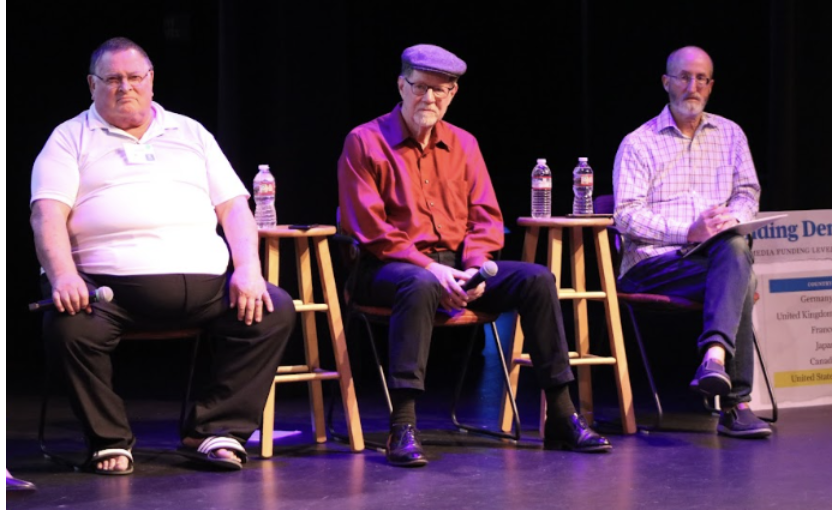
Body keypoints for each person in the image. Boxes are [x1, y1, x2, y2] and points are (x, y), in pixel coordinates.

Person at [30, 37, 297, 474]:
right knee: (69, 328)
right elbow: (47, 214)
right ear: (91, 85)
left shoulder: (190, 132)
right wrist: (63, 276)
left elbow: (233, 206)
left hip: (207, 286)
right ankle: (110, 439)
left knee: (273, 308)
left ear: (151, 80)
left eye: (135, 77)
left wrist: (248, 269)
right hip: (108, 292)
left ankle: (214, 431)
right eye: (112, 79)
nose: (125, 87)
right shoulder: (69, 138)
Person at [337, 44, 611, 467]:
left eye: (441, 90)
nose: (429, 99)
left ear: (453, 94)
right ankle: (403, 425)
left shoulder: (464, 144)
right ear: (401, 85)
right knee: (420, 282)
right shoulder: (365, 141)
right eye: (421, 87)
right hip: (390, 269)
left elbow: (486, 217)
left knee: (537, 278)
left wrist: (473, 270)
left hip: (458, 269)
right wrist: (430, 269)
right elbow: (369, 228)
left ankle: (561, 414)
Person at [612, 45, 772, 439]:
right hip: (652, 266)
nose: (692, 86)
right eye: (683, 77)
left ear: (711, 86)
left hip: (710, 260)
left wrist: (732, 219)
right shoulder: (639, 143)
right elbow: (626, 216)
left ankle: (713, 357)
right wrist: (688, 232)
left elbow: (747, 192)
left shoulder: (731, 134)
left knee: (734, 251)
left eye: (701, 79)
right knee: (742, 275)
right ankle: (736, 406)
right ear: (666, 82)